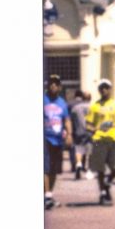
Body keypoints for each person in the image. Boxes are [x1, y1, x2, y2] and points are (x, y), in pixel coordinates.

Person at [86, 79, 115, 206]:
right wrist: (94, 129)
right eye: (101, 88)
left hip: (113, 139)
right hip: (99, 139)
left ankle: (107, 183)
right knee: (100, 168)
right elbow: (88, 124)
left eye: (106, 87)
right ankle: (102, 193)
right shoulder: (94, 106)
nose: (104, 90)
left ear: (110, 89)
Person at [43, 74, 72, 210]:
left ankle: (48, 195)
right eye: (51, 83)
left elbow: (67, 120)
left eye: (56, 83)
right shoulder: (42, 99)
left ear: (60, 87)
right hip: (45, 138)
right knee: (45, 168)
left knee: (54, 169)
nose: (53, 85)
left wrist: (69, 135)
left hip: (58, 140)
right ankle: (47, 197)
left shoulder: (62, 103)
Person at [69, 87, 90, 179]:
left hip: (79, 131)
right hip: (90, 132)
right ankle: (87, 168)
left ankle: (78, 164)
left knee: (79, 150)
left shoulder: (75, 108)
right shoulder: (93, 107)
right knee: (89, 151)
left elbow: (71, 120)